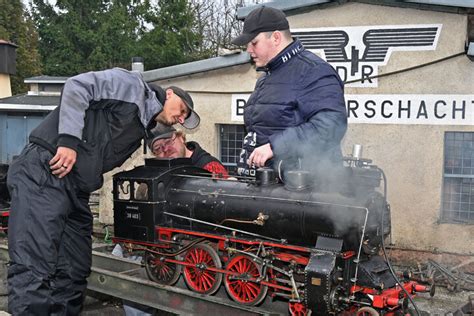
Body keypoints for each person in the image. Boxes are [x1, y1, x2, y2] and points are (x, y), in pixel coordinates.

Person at [6, 67, 200, 315]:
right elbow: (77, 85)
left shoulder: (141, 127)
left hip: (75, 189)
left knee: (74, 271)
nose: (180, 118)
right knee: (33, 267)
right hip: (45, 171)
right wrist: (67, 141)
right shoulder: (133, 87)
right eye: (182, 111)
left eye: (184, 119)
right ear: (170, 94)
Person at [232, 6, 347, 179]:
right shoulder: (265, 77)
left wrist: (275, 146)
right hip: (267, 190)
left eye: (254, 43)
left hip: (304, 190)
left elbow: (331, 126)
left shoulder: (314, 71)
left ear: (276, 37)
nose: (249, 50)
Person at [148, 124, 228, 178]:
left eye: (168, 142)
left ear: (181, 138)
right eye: (158, 148)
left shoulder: (210, 167)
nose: (165, 149)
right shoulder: (159, 175)